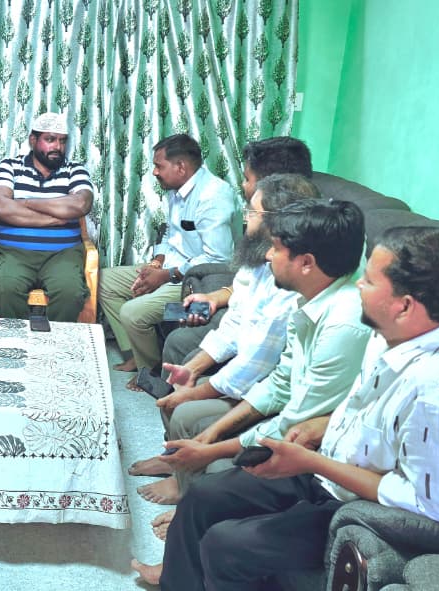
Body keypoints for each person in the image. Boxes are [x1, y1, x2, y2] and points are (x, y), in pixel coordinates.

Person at [133, 227, 439, 590]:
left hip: (361, 505)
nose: (358, 285)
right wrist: (322, 426)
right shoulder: (410, 325)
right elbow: (373, 409)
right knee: (204, 495)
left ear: (405, 306)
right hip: (332, 464)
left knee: (225, 546)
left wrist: (311, 462)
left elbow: (435, 507)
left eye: (370, 281)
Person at [140, 199, 371, 510]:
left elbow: (295, 420)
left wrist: (211, 449)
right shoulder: (309, 300)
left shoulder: (342, 325)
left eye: (276, 248)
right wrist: (212, 434)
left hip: (319, 444)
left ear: (306, 263)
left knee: (209, 490)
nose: (268, 255)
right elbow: (280, 384)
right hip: (295, 417)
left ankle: (189, 500)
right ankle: (185, 485)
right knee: (194, 420)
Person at [129, 174, 318, 504]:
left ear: (279, 224)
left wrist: (194, 392)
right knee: (183, 367)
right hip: (252, 368)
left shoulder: (289, 282)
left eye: (253, 212)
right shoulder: (258, 259)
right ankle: (175, 461)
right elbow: (235, 323)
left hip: (267, 384)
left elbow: (256, 363)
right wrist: (194, 369)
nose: (245, 219)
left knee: (185, 408)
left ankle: (185, 489)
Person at [137, 136, 315, 398]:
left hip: (213, 297)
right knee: (173, 319)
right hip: (221, 297)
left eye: (247, 179)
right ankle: (161, 384)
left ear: (271, 185)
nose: (242, 186)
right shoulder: (261, 236)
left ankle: (166, 386)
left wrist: (168, 275)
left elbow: (221, 263)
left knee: (154, 315)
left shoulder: (292, 255)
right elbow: (244, 285)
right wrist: (213, 297)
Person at [99, 134, 239, 391]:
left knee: (133, 312)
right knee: (105, 281)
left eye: (158, 166)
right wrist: (157, 263)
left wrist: (166, 276)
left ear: (181, 167)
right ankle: (136, 354)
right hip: (171, 268)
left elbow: (218, 259)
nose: (154, 172)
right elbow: (170, 234)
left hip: (198, 281)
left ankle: (152, 371)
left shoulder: (213, 197)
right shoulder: (177, 190)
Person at [0, 112, 94, 322]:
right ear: (33, 140)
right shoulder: (10, 166)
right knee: (5, 288)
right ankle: (19, 339)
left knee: (70, 292)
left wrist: (25, 202)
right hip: (14, 252)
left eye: (62, 141)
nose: (57, 147)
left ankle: (54, 341)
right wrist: (54, 217)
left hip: (62, 253)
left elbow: (81, 204)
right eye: (50, 139)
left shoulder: (75, 170)